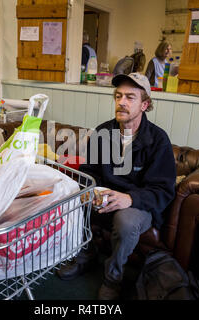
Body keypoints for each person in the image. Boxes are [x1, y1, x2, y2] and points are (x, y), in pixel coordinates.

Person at [56, 72, 176, 300]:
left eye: (130, 97)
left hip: (138, 205)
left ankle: (113, 278)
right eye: (118, 96)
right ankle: (85, 256)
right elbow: (89, 172)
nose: (122, 102)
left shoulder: (158, 140)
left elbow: (163, 190)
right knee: (73, 198)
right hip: (106, 197)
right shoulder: (103, 132)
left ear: (145, 104)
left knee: (125, 220)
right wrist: (92, 191)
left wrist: (128, 199)